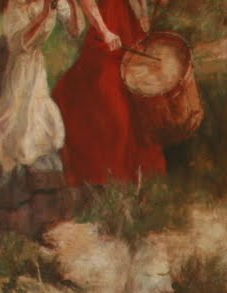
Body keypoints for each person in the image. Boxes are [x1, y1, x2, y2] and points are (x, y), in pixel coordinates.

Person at [0, 0, 74, 232]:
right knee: (10, 130)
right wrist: (44, 13)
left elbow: (75, 30)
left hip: (34, 72)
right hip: (11, 68)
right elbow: (21, 44)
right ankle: (8, 210)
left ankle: (41, 210)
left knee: (38, 130)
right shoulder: (16, 6)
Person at [52, 0, 167, 188]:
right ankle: (106, 180)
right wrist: (104, 31)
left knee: (139, 104)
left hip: (131, 30)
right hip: (109, 33)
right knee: (109, 101)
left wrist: (143, 14)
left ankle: (136, 181)